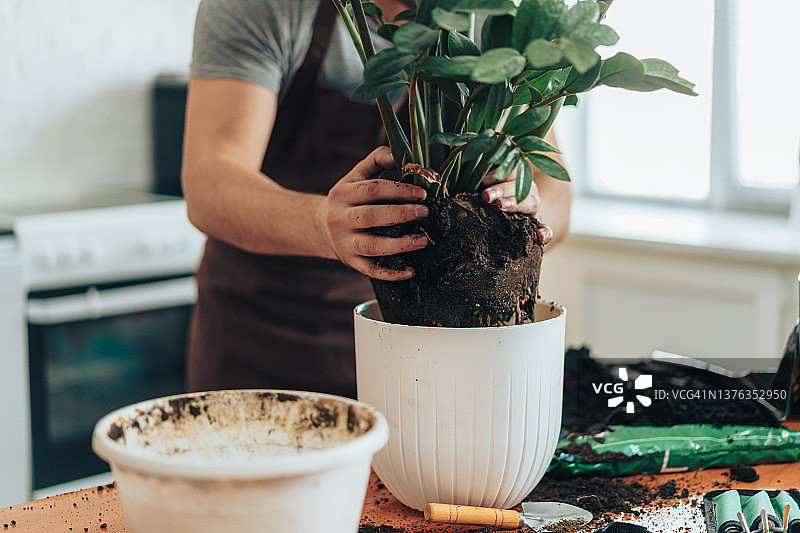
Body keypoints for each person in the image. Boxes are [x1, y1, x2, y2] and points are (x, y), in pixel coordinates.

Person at [182, 0, 573, 397]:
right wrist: (322, 223)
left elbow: (555, 194)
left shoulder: (493, 17)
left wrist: (524, 214)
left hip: (416, 348)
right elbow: (209, 181)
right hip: (260, 337)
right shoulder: (263, 8)